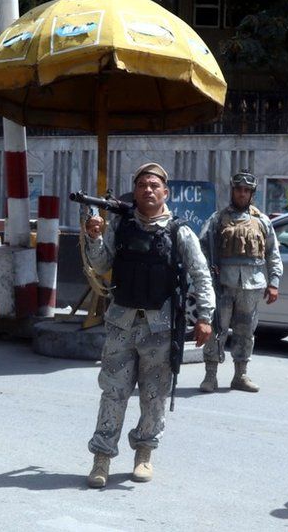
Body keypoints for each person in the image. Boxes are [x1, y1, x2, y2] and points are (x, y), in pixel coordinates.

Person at [82, 162, 215, 488]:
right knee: (113, 392)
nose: (148, 190)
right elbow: (100, 264)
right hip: (121, 324)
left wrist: (206, 317)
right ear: (136, 190)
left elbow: (201, 274)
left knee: (154, 396)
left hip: (160, 327)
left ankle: (144, 453)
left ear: (165, 192)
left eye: (155, 185)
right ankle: (101, 459)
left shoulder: (178, 231)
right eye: (142, 185)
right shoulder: (121, 226)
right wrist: (94, 237)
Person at [198, 172, 282, 393]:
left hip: (251, 287)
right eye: (238, 189)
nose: (242, 194)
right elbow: (202, 250)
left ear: (252, 194)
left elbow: (273, 253)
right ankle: (210, 376)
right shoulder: (217, 219)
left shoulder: (262, 221)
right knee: (217, 329)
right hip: (222, 285)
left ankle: (240, 375)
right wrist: (206, 277)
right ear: (232, 191)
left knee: (246, 331)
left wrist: (274, 282)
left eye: (246, 190)